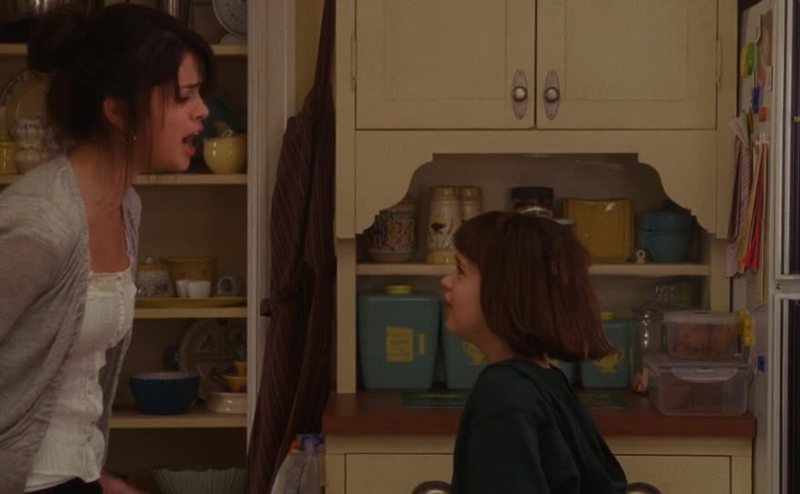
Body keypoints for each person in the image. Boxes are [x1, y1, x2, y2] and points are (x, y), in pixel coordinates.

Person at [0, 4, 212, 493]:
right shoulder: (42, 222)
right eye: (183, 96)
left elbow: (73, 384)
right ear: (118, 112)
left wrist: (100, 480)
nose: (202, 109)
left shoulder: (126, 206)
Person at [441, 211, 628, 493]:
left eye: (461, 271)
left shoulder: (503, 394)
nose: (447, 281)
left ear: (505, 289)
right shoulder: (546, 380)